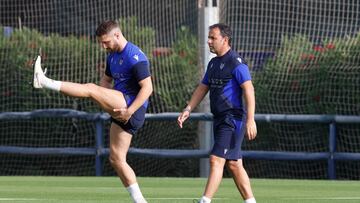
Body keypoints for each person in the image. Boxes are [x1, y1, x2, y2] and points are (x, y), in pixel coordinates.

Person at [33, 20, 152, 203]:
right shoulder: (111, 56)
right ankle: (140, 201)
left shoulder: (134, 56)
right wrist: (103, 98)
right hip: (121, 108)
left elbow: (148, 88)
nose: (103, 46)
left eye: (106, 42)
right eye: (101, 42)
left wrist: (129, 110)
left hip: (132, 109)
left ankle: (45, 81)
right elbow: (105, 81)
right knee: (116, 159)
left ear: (117, 35)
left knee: (90, 89)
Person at [177, 23, 257, 203]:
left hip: (233, 119)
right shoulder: (213, 63)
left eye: (213, 38)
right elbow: (202, 88)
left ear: (225, 40)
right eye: (209, 37)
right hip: (220, 119)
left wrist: (250, 119)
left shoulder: (236, 63)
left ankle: (205, 201)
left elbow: (249, 91)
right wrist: (188, 108)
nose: (209, 41)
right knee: (235, 165)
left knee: (216, 159)